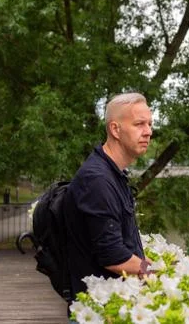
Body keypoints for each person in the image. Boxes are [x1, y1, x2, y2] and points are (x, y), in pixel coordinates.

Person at [63, 92, 153, 306]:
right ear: (115, 129)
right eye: (139, 124)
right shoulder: (98, 180)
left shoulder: (113, 173)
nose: (148, 132)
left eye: (150, 124)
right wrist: (156, 271)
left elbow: (124, 241)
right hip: (98, 309)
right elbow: (113, 256)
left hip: (110, 303)